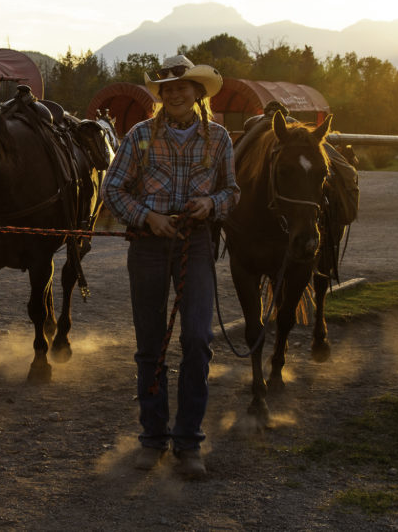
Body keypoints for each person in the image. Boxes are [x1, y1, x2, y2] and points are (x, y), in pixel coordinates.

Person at [101, 54, 240, 479]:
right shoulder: (139, 136)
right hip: (148, 244)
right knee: (151, 343)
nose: (175, 93)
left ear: (197, 92)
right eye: (167, 88)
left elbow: (232, 191)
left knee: (197, 339)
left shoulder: (219, 139)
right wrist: (147, 216)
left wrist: (211, 203)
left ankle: (188, 440)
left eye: (183, 87)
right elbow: (112, 189)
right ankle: (153, 436)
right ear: (160, 95)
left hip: (195, 243)